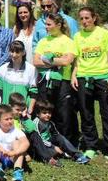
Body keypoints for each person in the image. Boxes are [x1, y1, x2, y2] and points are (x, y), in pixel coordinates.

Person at [71, 6, 108, 161]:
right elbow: (76, 59)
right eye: (81, 18)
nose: (84, 21)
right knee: (86, 114)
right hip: (84, 79)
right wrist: (74, 76)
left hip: (103, 79)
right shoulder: (77, 36)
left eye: (87, 18)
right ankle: (91, 146)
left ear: (94, 18)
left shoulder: (104, 34)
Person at [32, 13, 78, 146]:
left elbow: (67, 61)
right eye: (45, 24)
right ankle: (44, 141)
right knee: (44, 111)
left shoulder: (68, 41)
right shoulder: (43, 41)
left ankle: (64, 144)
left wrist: (47, 59)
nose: (45, 27)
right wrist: (57, 60)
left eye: (48, 24)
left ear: (58, 25)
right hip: (45, 81)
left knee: (63, 114)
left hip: (63, 81)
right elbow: (36, 61)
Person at [30, 99, 90, 165]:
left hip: (49, 142)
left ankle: (78, 155)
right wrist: (53, 147)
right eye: (44, 113)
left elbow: (56, 134)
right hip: (41, 145)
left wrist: (56, 144)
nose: (47, 115)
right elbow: (39, 140)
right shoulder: (35, 123)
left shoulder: (50, 122)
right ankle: (62, 154)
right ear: (37, 114)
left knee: (59, 137)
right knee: (53, 152)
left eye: (49, 113)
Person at [0, 105, 30, 181]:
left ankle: (17, 171)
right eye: (6, 119)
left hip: (12, 157)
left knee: (17, 143)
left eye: (11, 118)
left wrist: (15, 152)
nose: (10, 121)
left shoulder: (16, 130)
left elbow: (26, 143)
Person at [0, 41, 37, 112]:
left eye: (17, 52)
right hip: (6, 111)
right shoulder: (2, 69)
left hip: (22, 112)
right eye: (12, 51)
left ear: (23, 53)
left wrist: (29, 110)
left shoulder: (31, 70)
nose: (14, 55)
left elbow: (33, 93)